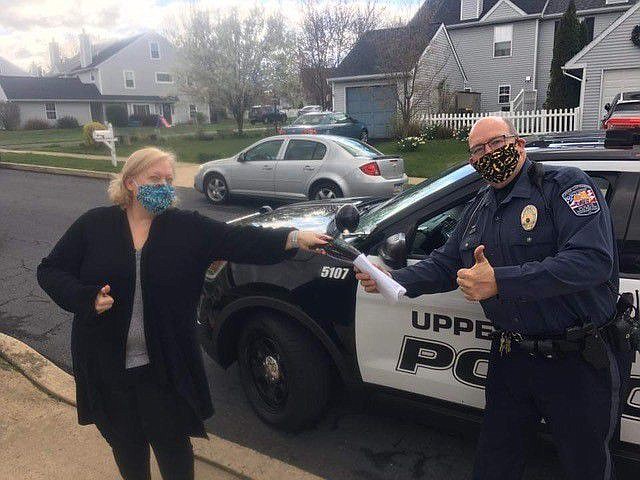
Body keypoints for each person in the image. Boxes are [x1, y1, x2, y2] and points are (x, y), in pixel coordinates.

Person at [356, 117, 633, 480]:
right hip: (512, 357)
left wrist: (500, 282)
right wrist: (395, 280)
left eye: (496, 143)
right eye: (479, 150)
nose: (489, 154)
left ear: (518, 143)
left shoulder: (565, 186)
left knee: (586, 464)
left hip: (576, 361)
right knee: (496, 458)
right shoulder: (479, 208)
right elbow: (445, 263)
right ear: (472, 162)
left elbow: (592, 260)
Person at [36, 147, 330, 480]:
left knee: (175, 454)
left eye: (169, 180)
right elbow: (50, 270)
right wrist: (83, 297)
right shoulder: (94, 225)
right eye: (154, 179)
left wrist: (292, 237)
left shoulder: (186, 228)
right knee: (128, 452)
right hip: (107, 370)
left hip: (165, 369)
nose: (164, 186)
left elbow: (239, 240)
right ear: (131, 183)